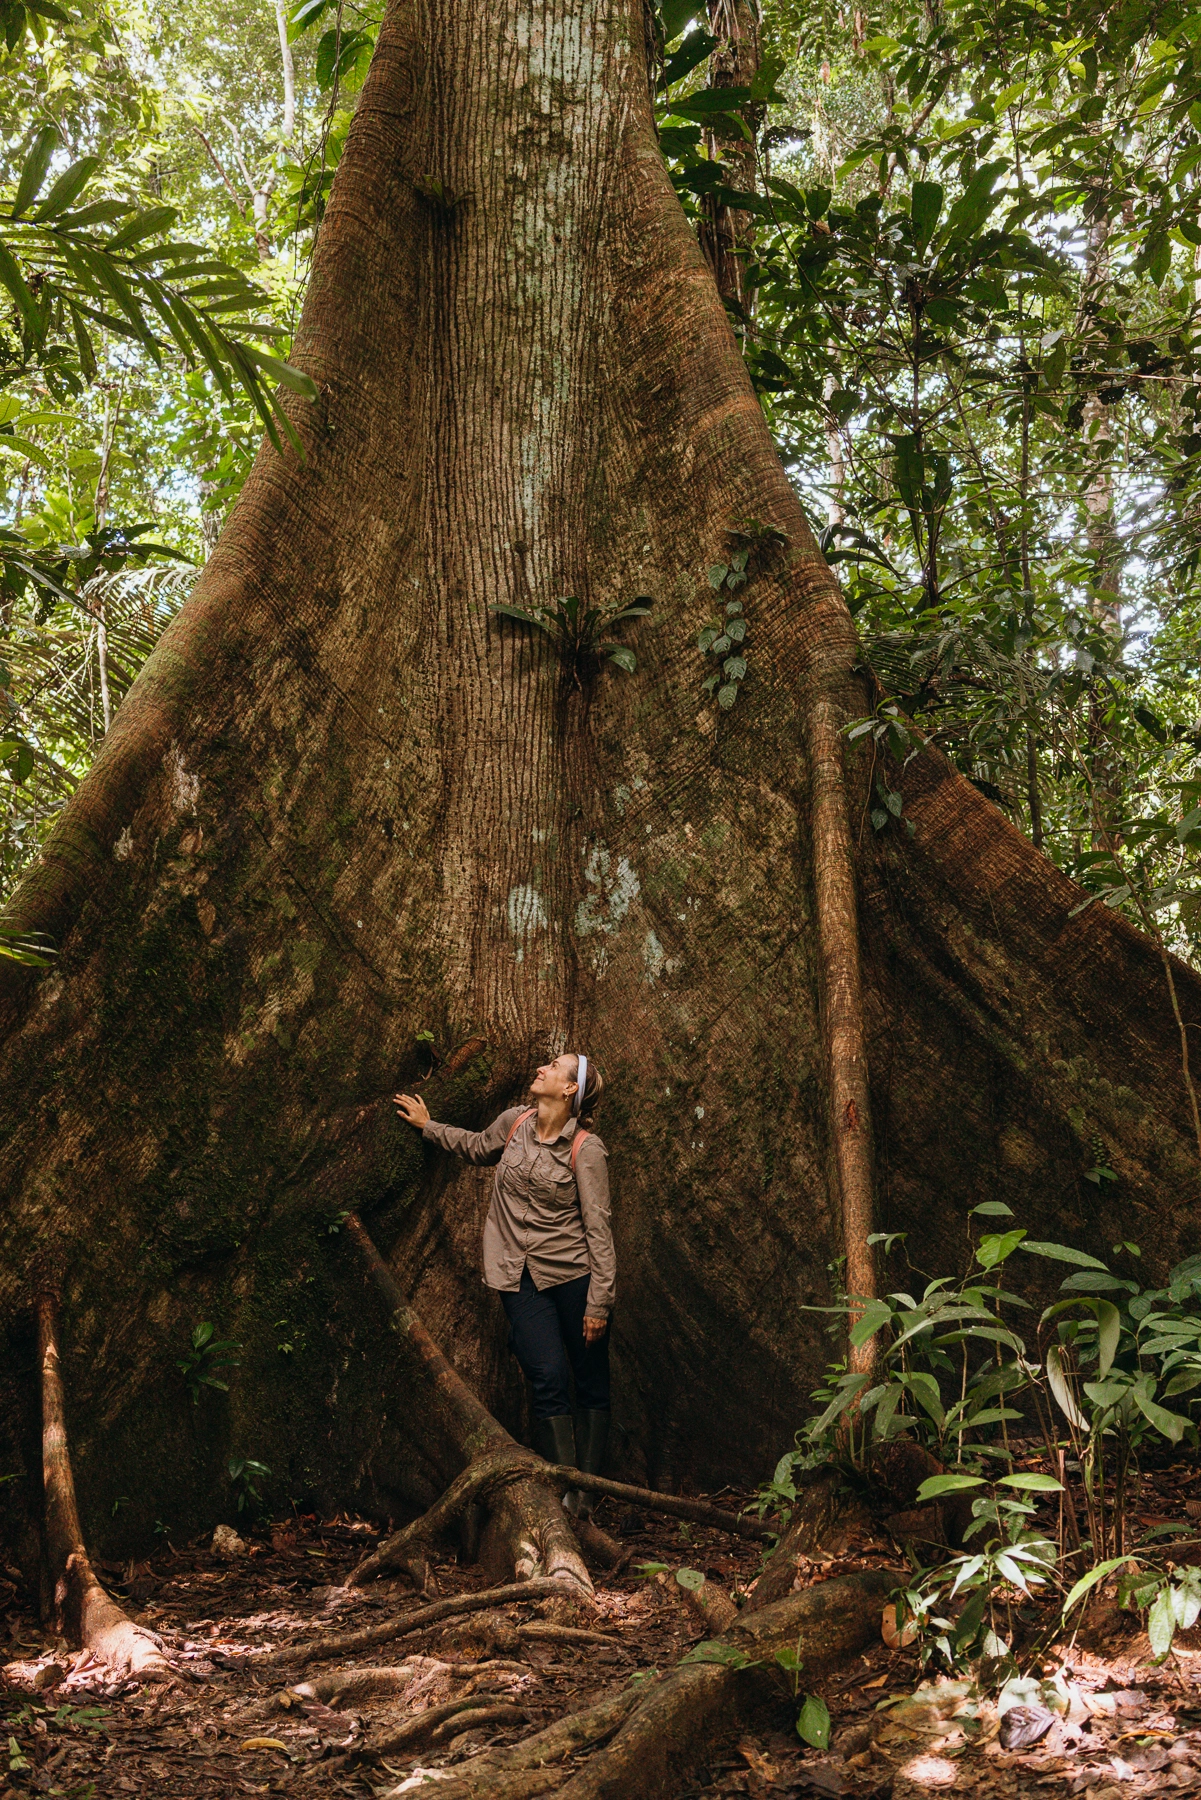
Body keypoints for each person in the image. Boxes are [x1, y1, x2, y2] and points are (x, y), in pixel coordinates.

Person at [393, 1052, 613, 1504]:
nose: (541, 1068)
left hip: (573, 1277)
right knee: (547, 1374)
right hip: (518, 1275)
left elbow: (599, 1229)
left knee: (590, 1379)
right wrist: (428, 1126)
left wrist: (600, 1302)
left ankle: (588, 1499)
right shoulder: (514, 1122)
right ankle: (564, 1491)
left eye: (554, 1066)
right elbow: (476, 1147)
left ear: (570, 1089)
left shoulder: (586, 1149)